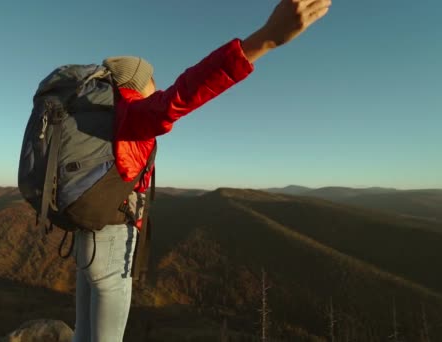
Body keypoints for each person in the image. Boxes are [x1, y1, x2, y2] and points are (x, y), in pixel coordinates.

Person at [72, 0, 332, 341]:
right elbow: (184, 93)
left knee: (84, 331)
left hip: (84, 228)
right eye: (151, 80)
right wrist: (264, 39)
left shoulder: (100, 119)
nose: (157, 86)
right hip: (111, 236)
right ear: (134, 85)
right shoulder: (133, 113)